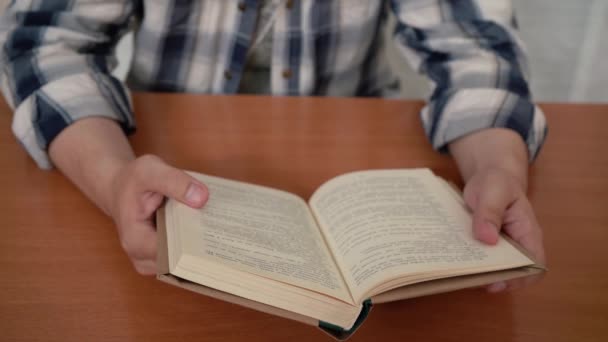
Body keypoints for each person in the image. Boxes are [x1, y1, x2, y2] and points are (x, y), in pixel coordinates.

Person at [0, 0, 546, 292]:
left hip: (352, 161)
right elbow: (45, 42)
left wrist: (499, 165)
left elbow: (474, 50)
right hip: (156, 156)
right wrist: (114, 178)